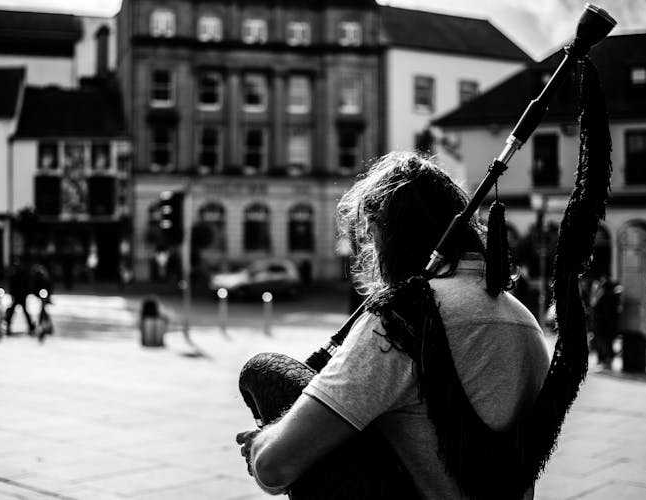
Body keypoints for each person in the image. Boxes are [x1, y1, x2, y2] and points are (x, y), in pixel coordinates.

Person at [236, 152, 551, 498]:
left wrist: (260, 442)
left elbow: (273, 466)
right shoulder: (526, 321)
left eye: (370, 238)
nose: (369, 254)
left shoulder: (402, 319)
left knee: (262, 371)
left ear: (389, 235)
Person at [589, 275, 622, 370]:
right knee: (608, 342)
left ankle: (606, 360)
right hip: (610, 324)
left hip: (602, 324)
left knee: (604, 342)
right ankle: (608, 360)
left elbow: (595, 308)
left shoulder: (604, 295)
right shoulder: (614, 296)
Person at [4, 259, 35, 336]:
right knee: (18, 311)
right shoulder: (18, 274)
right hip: (20, 295)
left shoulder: (18, 274)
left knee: (15, 311)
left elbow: (15, 286)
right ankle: (30, 326)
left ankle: (8, 324)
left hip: (19, 295)